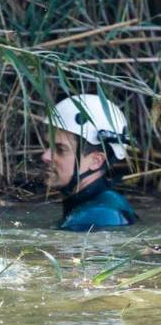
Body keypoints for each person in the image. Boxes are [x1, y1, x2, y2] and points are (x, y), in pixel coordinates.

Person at [41, 94, 137, 231]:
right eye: (48, 146)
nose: (45, 156)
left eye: (60, 149)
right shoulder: (103, 205)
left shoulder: (98, 215)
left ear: (96, 161)